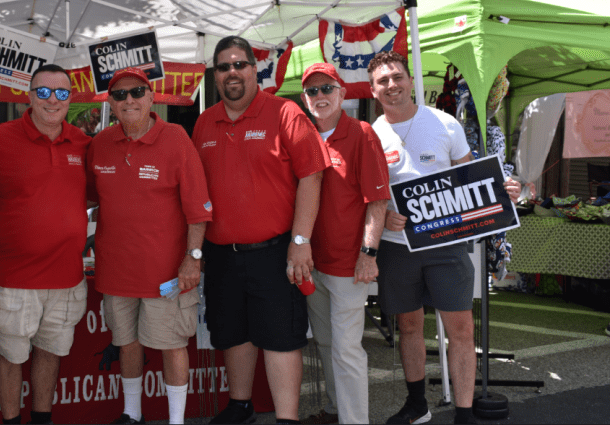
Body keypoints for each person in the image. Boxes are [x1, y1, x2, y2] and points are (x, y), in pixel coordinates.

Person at [368, 51, 521, 425]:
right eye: (382, 81)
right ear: (373, 90)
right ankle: (417, 404)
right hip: (396, 246)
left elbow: (470, 178)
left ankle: (464, 413)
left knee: (461, 328)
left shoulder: (445, 123)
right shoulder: (371, 134)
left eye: (397, 77)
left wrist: (503, 191)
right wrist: (384, 214)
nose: (392, 85)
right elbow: (367, 193)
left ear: (410, 80)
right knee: (408, 325)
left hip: (447, 244)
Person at [192, 36, 331, 425]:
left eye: (240, 64)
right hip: (221, 254)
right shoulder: (204, 122)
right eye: (224, 67)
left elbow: (312, 176)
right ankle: (241, 406)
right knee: (232, 332)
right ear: (215, 75)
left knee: (280, 337)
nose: (232, 72)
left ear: (254, 69)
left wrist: (300, 241)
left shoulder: (285, 113)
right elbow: (194, 193)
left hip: (276, 251)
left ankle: (286, 418)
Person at [86, 67, 212, 425]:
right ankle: (132, 413)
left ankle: (176, 420)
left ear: (151, 97)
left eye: (137, 92)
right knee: (126, 343)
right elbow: (87, 199)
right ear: (111, 102)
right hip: (115, 270)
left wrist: (193, 258)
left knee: (172, 345)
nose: (130, 100)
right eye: (121, 94)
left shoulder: (175, 138)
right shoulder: (101, 144)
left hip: (167, 273)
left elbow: (198, 209)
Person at [0, 63, 92, 425]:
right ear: (29, 96)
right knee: (11, 356)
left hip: (67, 278)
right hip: (13, 278)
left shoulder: (84, 144)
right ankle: (11, 420)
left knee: (50, 353)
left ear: (70, 98)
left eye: (60, 93)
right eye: (43, 92)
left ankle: (42, 419)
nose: (52, 100)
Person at [298, 63, 389, 425]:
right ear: (305, 99)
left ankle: (355, 421)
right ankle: (337, 412)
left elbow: (377, 201)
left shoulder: (362, 133)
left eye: (326, 88)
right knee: (324, 343)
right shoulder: (304, 135)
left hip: (348, 265)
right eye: (312, 91)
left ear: (342, 92)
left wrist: (368, 253)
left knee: (347, 349)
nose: (320, 96)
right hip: (312, 262)